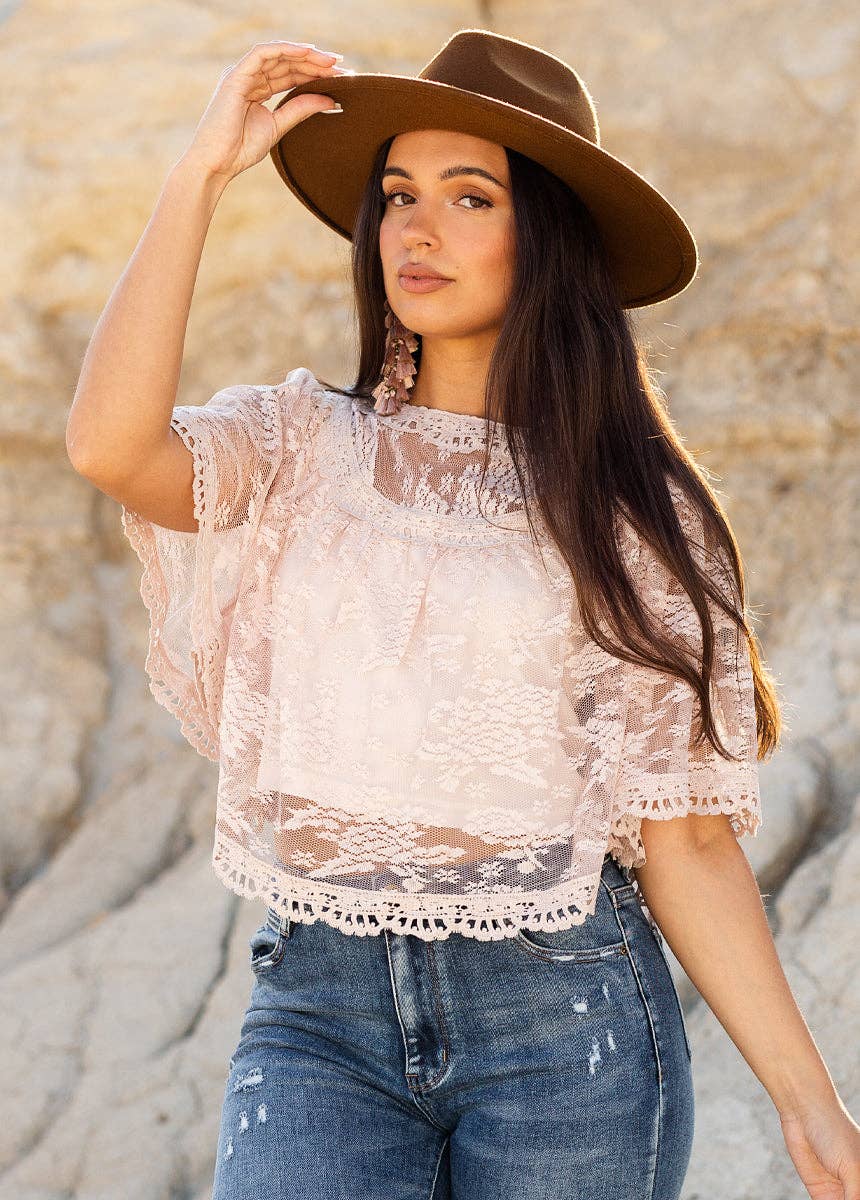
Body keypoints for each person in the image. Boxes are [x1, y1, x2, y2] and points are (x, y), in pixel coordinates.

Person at [66, 27, 860, 1200]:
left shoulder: (629, 517)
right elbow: (110, 446)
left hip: (566, 1021)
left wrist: (811, 1106)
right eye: (395, 195)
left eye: (468, 195)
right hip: (316, 1013)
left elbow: (684, 839)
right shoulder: (295, 445)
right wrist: (199, 175)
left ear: (545, 240)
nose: (415, 229)